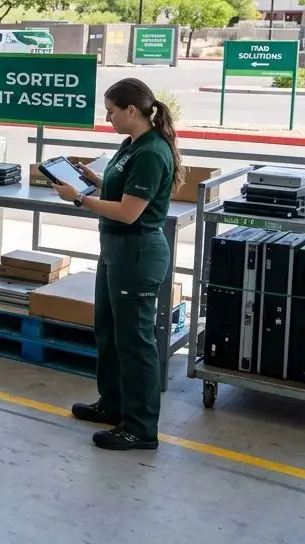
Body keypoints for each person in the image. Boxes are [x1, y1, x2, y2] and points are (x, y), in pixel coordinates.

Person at [51, 77, 182, 452]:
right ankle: (113, 404)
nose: (106, 117)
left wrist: (79, 198)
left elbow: (128, 211)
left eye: (110, 111)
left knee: (135, 341)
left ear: (132, 110)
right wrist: (93, 178)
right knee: (107, 330)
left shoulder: (152, 153)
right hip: (114, 250)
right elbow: (119, 186)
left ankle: (140, 426)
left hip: (136, 252)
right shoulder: (131, 144)